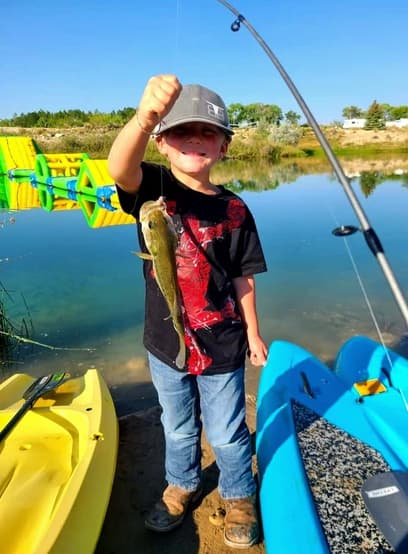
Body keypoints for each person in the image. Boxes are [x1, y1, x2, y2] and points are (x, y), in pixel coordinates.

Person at [108, 74, 268, 549]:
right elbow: (120, 168)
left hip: (222, 341)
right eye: (181, 132)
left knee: (227, 429)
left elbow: (244, 276)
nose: (195, 140)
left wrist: (255, 332)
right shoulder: (153, 191)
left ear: (223, 147)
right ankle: (181, 485)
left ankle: (239, 494)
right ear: (162, 143)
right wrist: (143, 118)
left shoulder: (236, 210)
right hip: (166, 340)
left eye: (207, 134)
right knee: (176, 425)